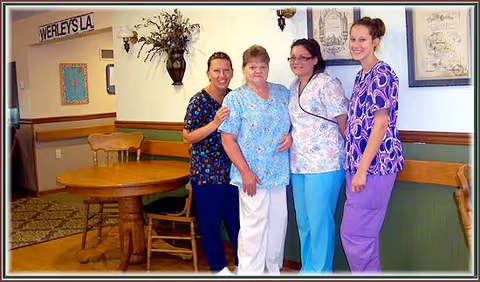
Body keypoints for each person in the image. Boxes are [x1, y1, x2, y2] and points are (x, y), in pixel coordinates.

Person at [218, 45, 292, 274]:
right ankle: (250, 272)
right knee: (253, 227)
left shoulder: (282, 92)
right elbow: (227, 139)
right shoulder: (235, 99)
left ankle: (272, 270)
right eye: (252, 66)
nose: (258, 71)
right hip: (250, 174)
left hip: (278, 170)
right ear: (243, 69)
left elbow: (295, 122)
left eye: (262, 66)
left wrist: (291, 137)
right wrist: (245, 172)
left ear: (268, 68)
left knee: (277, 224)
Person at [340, 17, 404, 272]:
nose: (356, 45)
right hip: (358, 164)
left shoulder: (382, 74)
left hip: (374, 167)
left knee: (356, 235)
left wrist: (362, 169)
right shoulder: (362, 75)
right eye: (353, 39)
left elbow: (380, 125)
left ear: (375, 41)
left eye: (362, 39)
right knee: (362, 236)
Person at [287, 38, 348, 273]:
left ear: (315, 60)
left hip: (325, 163)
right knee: (304, 222)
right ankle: (307, 269)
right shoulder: (293, 86)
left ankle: (321, 272)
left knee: (320, 222)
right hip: (299, 163)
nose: (296, 62)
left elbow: (342, 122)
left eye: (303, 57)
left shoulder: (327, 83)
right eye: (293, 57)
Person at [183, 51, 240, 275]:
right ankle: (218, 270)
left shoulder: (235, 98)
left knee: (237, 225)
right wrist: (214, 123)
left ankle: (242, 267)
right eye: (217, 70)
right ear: (208, 73)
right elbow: (187, 136)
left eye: (226, 70)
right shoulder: (198, 100)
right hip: (206, 175)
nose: (222, 75)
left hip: (233, 173)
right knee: (210, 226)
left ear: (233, 72)